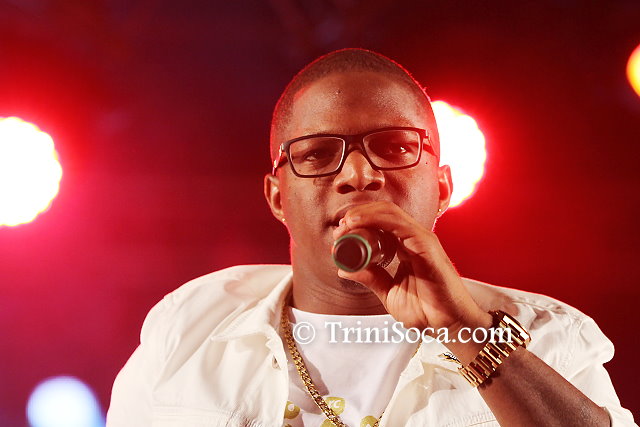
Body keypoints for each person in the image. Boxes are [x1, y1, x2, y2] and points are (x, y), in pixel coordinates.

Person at [106, 48, 636, 427]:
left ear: (442, 187)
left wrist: (464, 328)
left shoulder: (547, 337)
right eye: (317, 154)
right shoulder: (190, 327)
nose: (359, 175)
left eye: (395, 147)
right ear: (277, 198)